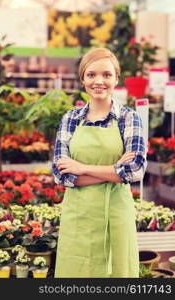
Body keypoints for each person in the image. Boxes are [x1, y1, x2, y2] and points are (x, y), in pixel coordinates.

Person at [52, 47, 147, 278]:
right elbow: (61, 175)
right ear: (83, 79)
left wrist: (81, 168)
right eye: (92, 74)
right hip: (78, 216)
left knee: (118, 274)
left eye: (106, 75)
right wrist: (115, 170)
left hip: (116, 214)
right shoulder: (70, 119)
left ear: (116, 79)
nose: (99, 81)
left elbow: (135, 170)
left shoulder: (129, 118)